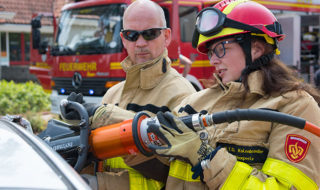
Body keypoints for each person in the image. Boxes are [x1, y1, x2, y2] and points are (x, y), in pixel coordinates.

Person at [146, 0, 320, 189]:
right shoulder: (194, 101)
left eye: (221, 49)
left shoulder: (295, 107)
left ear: (255, 49)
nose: (213, 60)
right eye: (211, 52)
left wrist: (205, 156)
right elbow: (162, 173)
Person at [62, 0, 196, 189]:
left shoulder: (183, 94)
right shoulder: (112, 94)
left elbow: (173, 174)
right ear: (123, 39)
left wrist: (99, 184)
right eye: (131, 35)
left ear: (166, 36)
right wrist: (78, 128)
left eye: (150, 33)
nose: (140, 43)